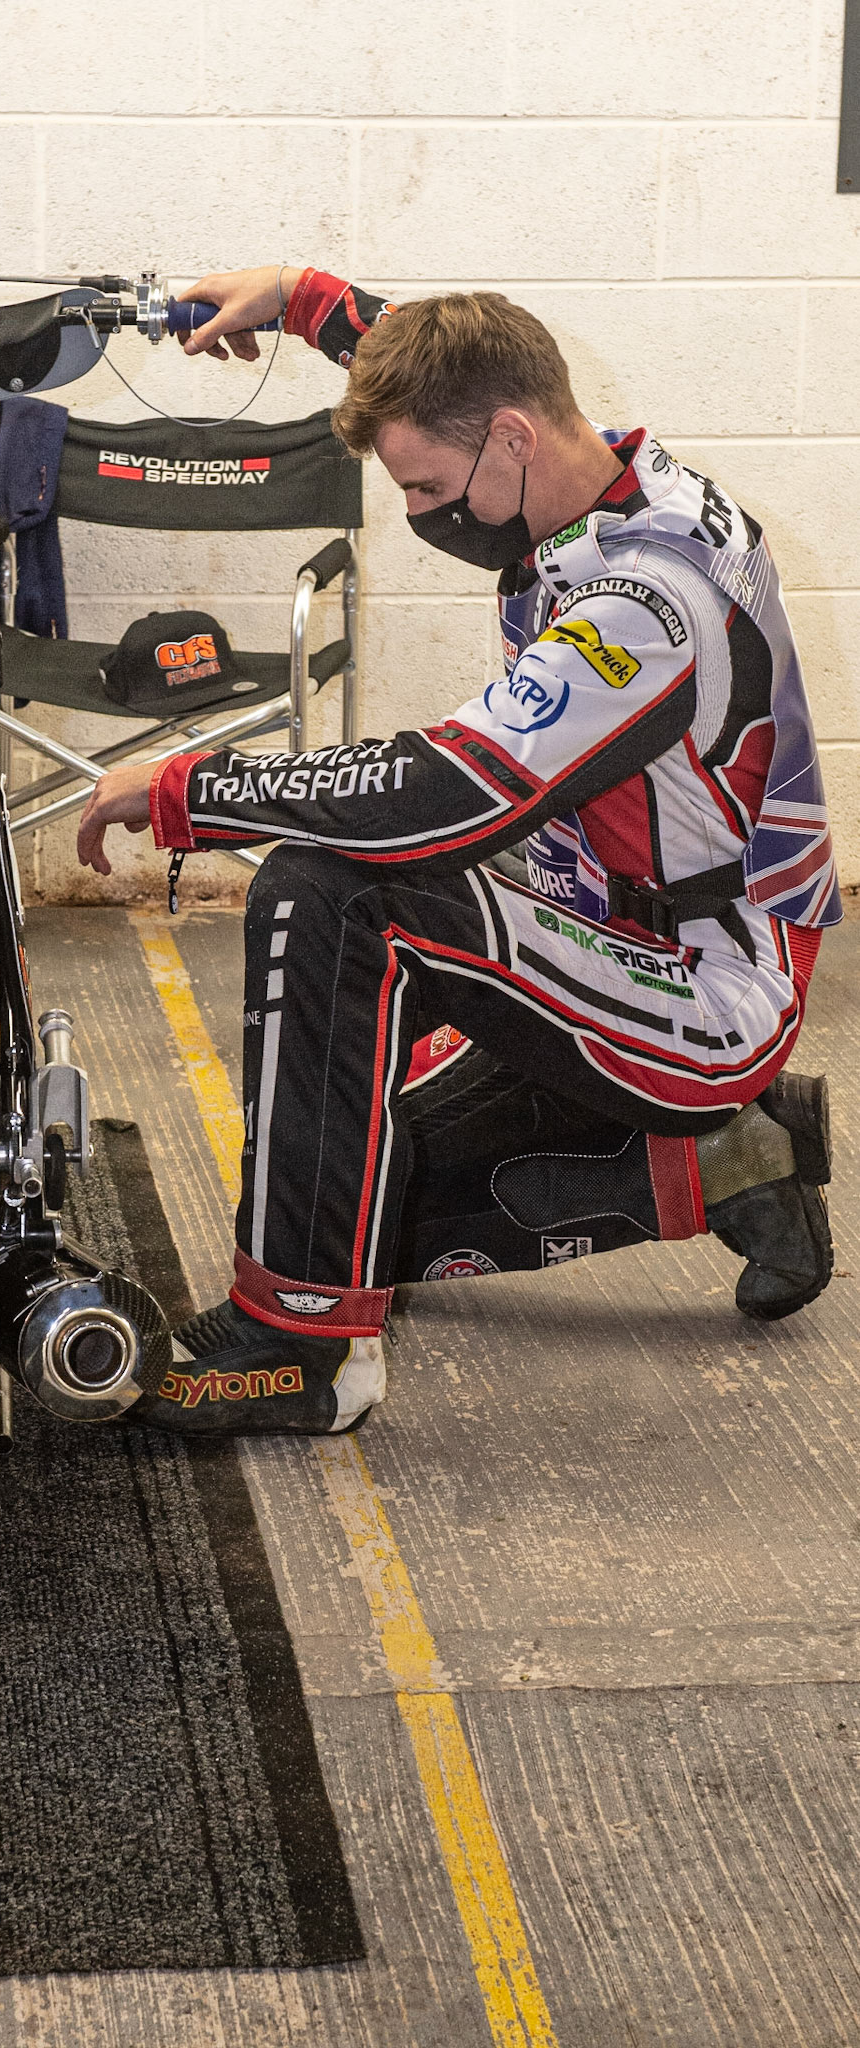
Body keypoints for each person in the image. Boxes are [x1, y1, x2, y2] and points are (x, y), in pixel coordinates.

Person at [77, 265, 839, 1438]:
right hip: (608, 924)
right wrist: (293, 296)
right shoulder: (585, 464)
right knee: (363, 1202)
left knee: (330, 898)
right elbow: (414, 355)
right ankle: (734, 1156)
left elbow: (449, 792)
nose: (422, 514)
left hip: (707, 988)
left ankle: (302, 1349)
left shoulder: (648, 600)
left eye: (427, 488)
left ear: (512, 440)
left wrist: (188, 788)